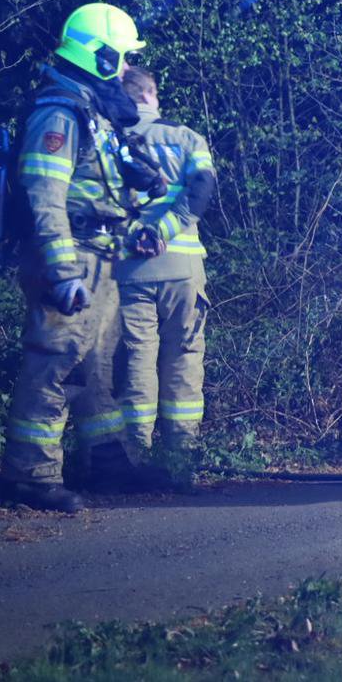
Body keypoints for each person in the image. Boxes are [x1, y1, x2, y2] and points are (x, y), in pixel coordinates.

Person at [0, 3, 173, 512]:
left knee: (95, 366)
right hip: (70, 254)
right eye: (120, 58)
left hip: (98, 253)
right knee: (54, 361)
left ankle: (108, 464)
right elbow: (44, 197)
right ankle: (28, 474)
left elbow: (98, 186)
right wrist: (64, 271)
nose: (123, 68)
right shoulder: (58, 112)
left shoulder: (88, 108)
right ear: (100, 55)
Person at [114, 65, 217, 473]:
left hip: (130, 270)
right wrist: (167, 230)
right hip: (182, 268)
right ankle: (180, 455)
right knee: (184, 355)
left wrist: (138, 233)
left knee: (137, 357)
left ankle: (135, 454)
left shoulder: (109, 139)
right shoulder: (187, 137)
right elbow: (202, 189)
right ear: (151, 95)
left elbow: (97, 197)